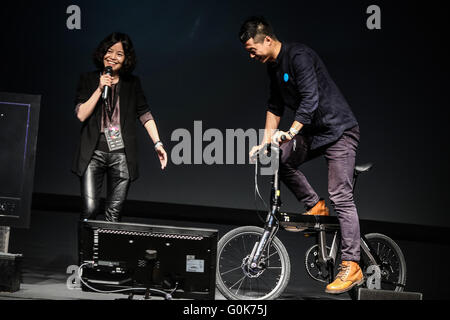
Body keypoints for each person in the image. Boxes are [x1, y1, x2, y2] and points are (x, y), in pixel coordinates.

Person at [241, 17, 363, 294]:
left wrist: (292, 131)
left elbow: (311, 99)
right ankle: (314, 205)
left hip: (340, 130)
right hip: (315, 134)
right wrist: (265, 143)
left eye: (252, 50)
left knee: (341, 195)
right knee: (277, 158)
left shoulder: (299, 56)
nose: (251, 56)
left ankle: (352, 264)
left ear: (268, 40)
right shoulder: (273, 67)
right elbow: (274, 106)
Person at [72, 32, 167, 223]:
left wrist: (158, 143)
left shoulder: (132, 84)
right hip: (93, 153)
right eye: (109, 51)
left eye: (119, 54)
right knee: (90, 209)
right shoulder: (89, 79)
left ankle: (106, 254)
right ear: (102, 53)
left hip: (121, 154)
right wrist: (100, 88)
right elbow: (81, 114)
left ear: (126, 59)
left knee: (113, 215)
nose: (113, 57)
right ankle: (86, 254)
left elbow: (145, 114)